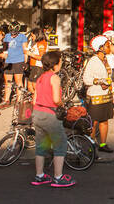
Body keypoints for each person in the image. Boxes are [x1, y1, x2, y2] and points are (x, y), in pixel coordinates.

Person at [31, 50, 76, 188]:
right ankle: (58, 177)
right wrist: (63, 104)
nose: (61, 63)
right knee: (60, 145)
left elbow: (34, 99)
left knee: (41, 146)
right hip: (50, 115)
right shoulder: (54, 78)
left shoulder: (40, 77)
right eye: (60, 61)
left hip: (37, 113)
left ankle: (39, 176)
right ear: (55, 64)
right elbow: (56, 99)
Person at [83, 35, 114, 153]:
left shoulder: (106, 60)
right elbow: (86, 79)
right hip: (95, 96)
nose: (109, 48)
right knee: (93, 123)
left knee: (104, 120)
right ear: (100, 48)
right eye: (107, 46)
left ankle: (102, 144)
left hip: (106, 96)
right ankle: (90, 149)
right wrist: (99, 82)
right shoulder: (93, 61)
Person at [0, 22, 27, 108]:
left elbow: (25, 50)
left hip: (19, 61)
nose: (13, 35)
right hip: (8, 61)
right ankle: (6, 100)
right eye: (12, 33)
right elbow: (4, 48)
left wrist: (25, 62)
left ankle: (19, 100)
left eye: (15, 33)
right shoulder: (7, 36)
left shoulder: (23, 37)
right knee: (8, 82)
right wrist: (2, 60)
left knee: (18, 81)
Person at [25, 28, 48, 94]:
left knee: (34, 85)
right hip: (33, 66)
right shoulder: (36, 43)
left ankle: (39, 99)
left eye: (32, 36)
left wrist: (30, 54)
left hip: (38, 66)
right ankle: (35, 99)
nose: (32, 38)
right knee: (30, 86)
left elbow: (41, 57)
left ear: (37, 35)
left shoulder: (41, 44)